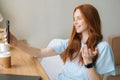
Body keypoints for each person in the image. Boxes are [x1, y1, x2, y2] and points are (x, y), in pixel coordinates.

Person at [8, 4, 116, 80]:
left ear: (90, 19)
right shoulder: (72, 43)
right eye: (74, 19)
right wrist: (16, 43)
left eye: (79, 18)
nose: (75, 22)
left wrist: (88, 63)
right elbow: (40, 52)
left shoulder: (102, 47)